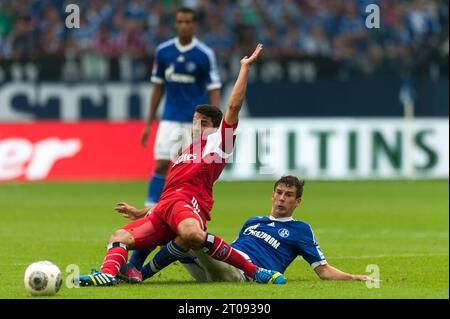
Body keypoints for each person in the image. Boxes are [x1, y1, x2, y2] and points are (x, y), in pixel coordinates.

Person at [75, 43, 287, 286]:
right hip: (165, 209)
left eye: (204, 122)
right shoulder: (183, 153)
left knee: (192, 234)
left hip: (188, 204)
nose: (197, 127)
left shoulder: (219, 144)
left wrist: (245, 68)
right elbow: (169, 195)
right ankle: (109, 275)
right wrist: (142, 211)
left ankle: (254, 270)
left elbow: (233, 107)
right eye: (195, 122)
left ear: (215, 127)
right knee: (119, 236)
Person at [117, 176, 375, 283]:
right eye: (279, 193)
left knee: (192, 234)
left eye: (288, 195)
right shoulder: (253, 221)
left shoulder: (300, 230)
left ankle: (138, 272)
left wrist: (353, 278)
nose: (282, 199)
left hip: (242, 274)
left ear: (298, 202)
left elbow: (323, 270)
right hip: (218, 266)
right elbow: (231, 249)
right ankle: (135, 273)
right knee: (176, 232)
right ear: (272, 194)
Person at [133, 7, 222, 272]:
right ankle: (153, 210)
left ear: (194, 26)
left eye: (188, 22)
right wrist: (149, 122)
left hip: (196, 122)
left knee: (191, 170)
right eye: (179, 21)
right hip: (170, 119)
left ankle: (186, 210)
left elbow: (214, 88)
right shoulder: (164, 51)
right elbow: (158, 86)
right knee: (162, 164)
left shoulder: (205, 54)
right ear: (175, 24)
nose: (183, 26)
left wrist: (215, 127)